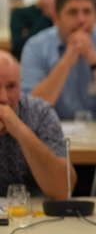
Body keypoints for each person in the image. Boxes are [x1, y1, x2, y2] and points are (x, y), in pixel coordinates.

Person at [0, 50, 76, 198]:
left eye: (11, 86)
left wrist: (20, 130)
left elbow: (63, 189)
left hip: (36, 210)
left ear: (20, 84)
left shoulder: (40, 113)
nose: (3, 98)